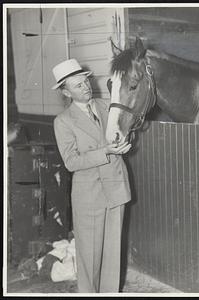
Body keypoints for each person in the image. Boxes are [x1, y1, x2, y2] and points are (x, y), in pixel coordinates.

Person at [52, 58, 132, 293]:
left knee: (112, 253)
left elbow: (124, 131)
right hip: (88, 195)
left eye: (85, 82)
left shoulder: (109, 105)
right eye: (78, 86)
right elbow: (71, 161)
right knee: (90, 255)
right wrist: (105, 151)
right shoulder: (63, 121)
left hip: (116, 187)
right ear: (66, 92)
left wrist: (126, 143)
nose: (86, 87)